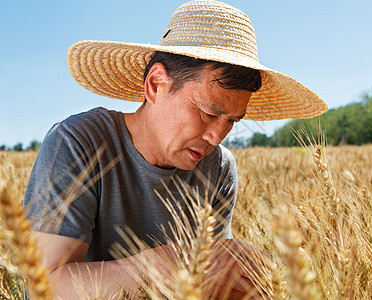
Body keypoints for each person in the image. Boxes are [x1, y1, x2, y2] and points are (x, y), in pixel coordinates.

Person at [23, 0, 327, 298]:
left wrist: (267, 282)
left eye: (232, 121)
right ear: (156, 84)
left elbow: (211, 285)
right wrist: (163, 267)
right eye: (208, 113)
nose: (216, 137)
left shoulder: (219, 168)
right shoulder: (78, 142)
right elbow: (43, 285)